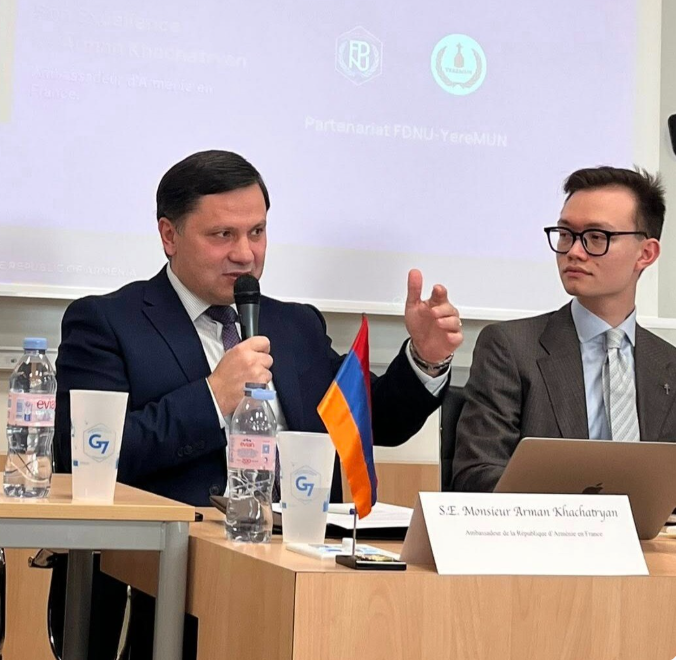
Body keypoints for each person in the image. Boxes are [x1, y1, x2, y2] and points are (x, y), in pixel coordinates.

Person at [55, 149, 463, 507]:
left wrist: (424, 359)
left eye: (256, 232)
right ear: (169, 235)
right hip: (177, 555)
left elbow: (373, 421)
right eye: (223, 235)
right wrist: (213, 397)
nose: (245, 254)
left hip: (299, 548)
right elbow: (86, 460)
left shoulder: (296, 326)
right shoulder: (107, 324)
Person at [453, 166, 676, 493]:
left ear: (646, 253)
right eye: (566, 234)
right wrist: (576, 507)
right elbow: (476, 476)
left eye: (596, 237)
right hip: (543, 525)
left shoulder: (668, 365)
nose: (574, 251)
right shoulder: (511, 349)